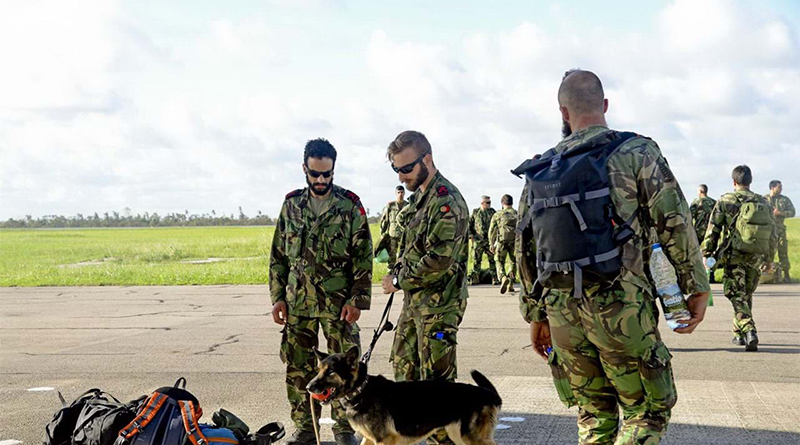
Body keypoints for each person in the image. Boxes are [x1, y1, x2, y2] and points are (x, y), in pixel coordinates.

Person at [519, 70, 710, 444]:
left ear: (563, 112)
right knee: (646, 413)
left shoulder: (541, 168)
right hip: (622, 308)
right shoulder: (637, 152)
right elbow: (674, 221)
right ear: (605, 105)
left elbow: (526, 249)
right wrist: (695, 285)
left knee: (594, 416)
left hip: (563, 312)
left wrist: (536, 313)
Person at [269, 138, 372, 445]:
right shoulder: (291, 205)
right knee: (298, 368)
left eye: (327, 174)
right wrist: (277, 298)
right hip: (298, 302)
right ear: (305, 169)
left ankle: (345, 429)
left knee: (345, 371)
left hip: (338, 303)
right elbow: (278, 256)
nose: (321, 180)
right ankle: (304, 427)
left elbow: (363, 256)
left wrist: (357, 300)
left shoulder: (349, 205)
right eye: (315, 174)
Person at [380, 130, 469, 445]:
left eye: (406, 168)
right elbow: (412, 250)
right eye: (396, 170)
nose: (401, 176)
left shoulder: (445, 200)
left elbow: (439, 260)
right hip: (416, 305)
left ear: (427, 159)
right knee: (405, 378)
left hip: (439, 308)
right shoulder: (420, 199)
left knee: (436, 394)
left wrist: (398, 281)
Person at [702, 166, 776, 351]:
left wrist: (707, 254)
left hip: (734, 255)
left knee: (737, 294)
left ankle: (749, 330)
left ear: (734, 181)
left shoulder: (726, 200)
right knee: (745, 294)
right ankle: (738, 333)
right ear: (750, 181)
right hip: (756, 256)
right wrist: (769, 259)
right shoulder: (763, 202)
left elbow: (713, 230)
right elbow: (772, 234)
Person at [766, 180, 795, 283]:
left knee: (783, 252)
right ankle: (768, 275)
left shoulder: (784, 200)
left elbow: (792, 212)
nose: (781, 189)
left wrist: (780, 213)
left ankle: (786, 275)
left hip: (780, 230)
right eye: (779, 187)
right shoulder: (764, 200)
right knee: (768, 253)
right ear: (772, 188)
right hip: (768, 231)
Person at [488, 194, 518, 294]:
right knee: (513, 262)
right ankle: (511, 284)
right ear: (512, 203)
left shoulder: (498, 214)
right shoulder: (517, 214)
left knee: (499, 260)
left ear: (502, 203)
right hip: (514, 242)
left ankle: (503, 277)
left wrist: (491, 243)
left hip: (502, 241)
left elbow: (491, 230)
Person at [690, 184, 718, 283]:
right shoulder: (714, 203)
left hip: (698, 232)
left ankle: (698, 275)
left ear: (700, 192)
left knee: (696, 254)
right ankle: (711, 275)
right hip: (711, 232)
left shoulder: (696, 203)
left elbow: (690, 217)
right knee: (710, 253)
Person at [469, 196, 498, 285]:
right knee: (476, 260)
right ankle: (475, 278)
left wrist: (495, 238)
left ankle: (495, 278)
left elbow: (497, 224)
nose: (489, 204)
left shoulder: (492, 212)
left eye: (490, 202)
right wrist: (471, 235)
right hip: (478, 240)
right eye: (487, 203)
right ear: (482, 203)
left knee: (492, 260)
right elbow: (469, 224)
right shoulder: (475, 212)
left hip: (489, 241)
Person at [377, 185, 407, 265]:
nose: (400, 194)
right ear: (395, 194)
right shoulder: (390, 205)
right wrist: (382, 234)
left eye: (402, 192)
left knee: (404, 255)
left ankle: (402, 270)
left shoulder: (408, 205)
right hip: (392, 234)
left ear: (404, 193)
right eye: (398, 192)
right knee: (391, 256)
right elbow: (385, 220)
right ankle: (391, 270)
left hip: (404, 235)